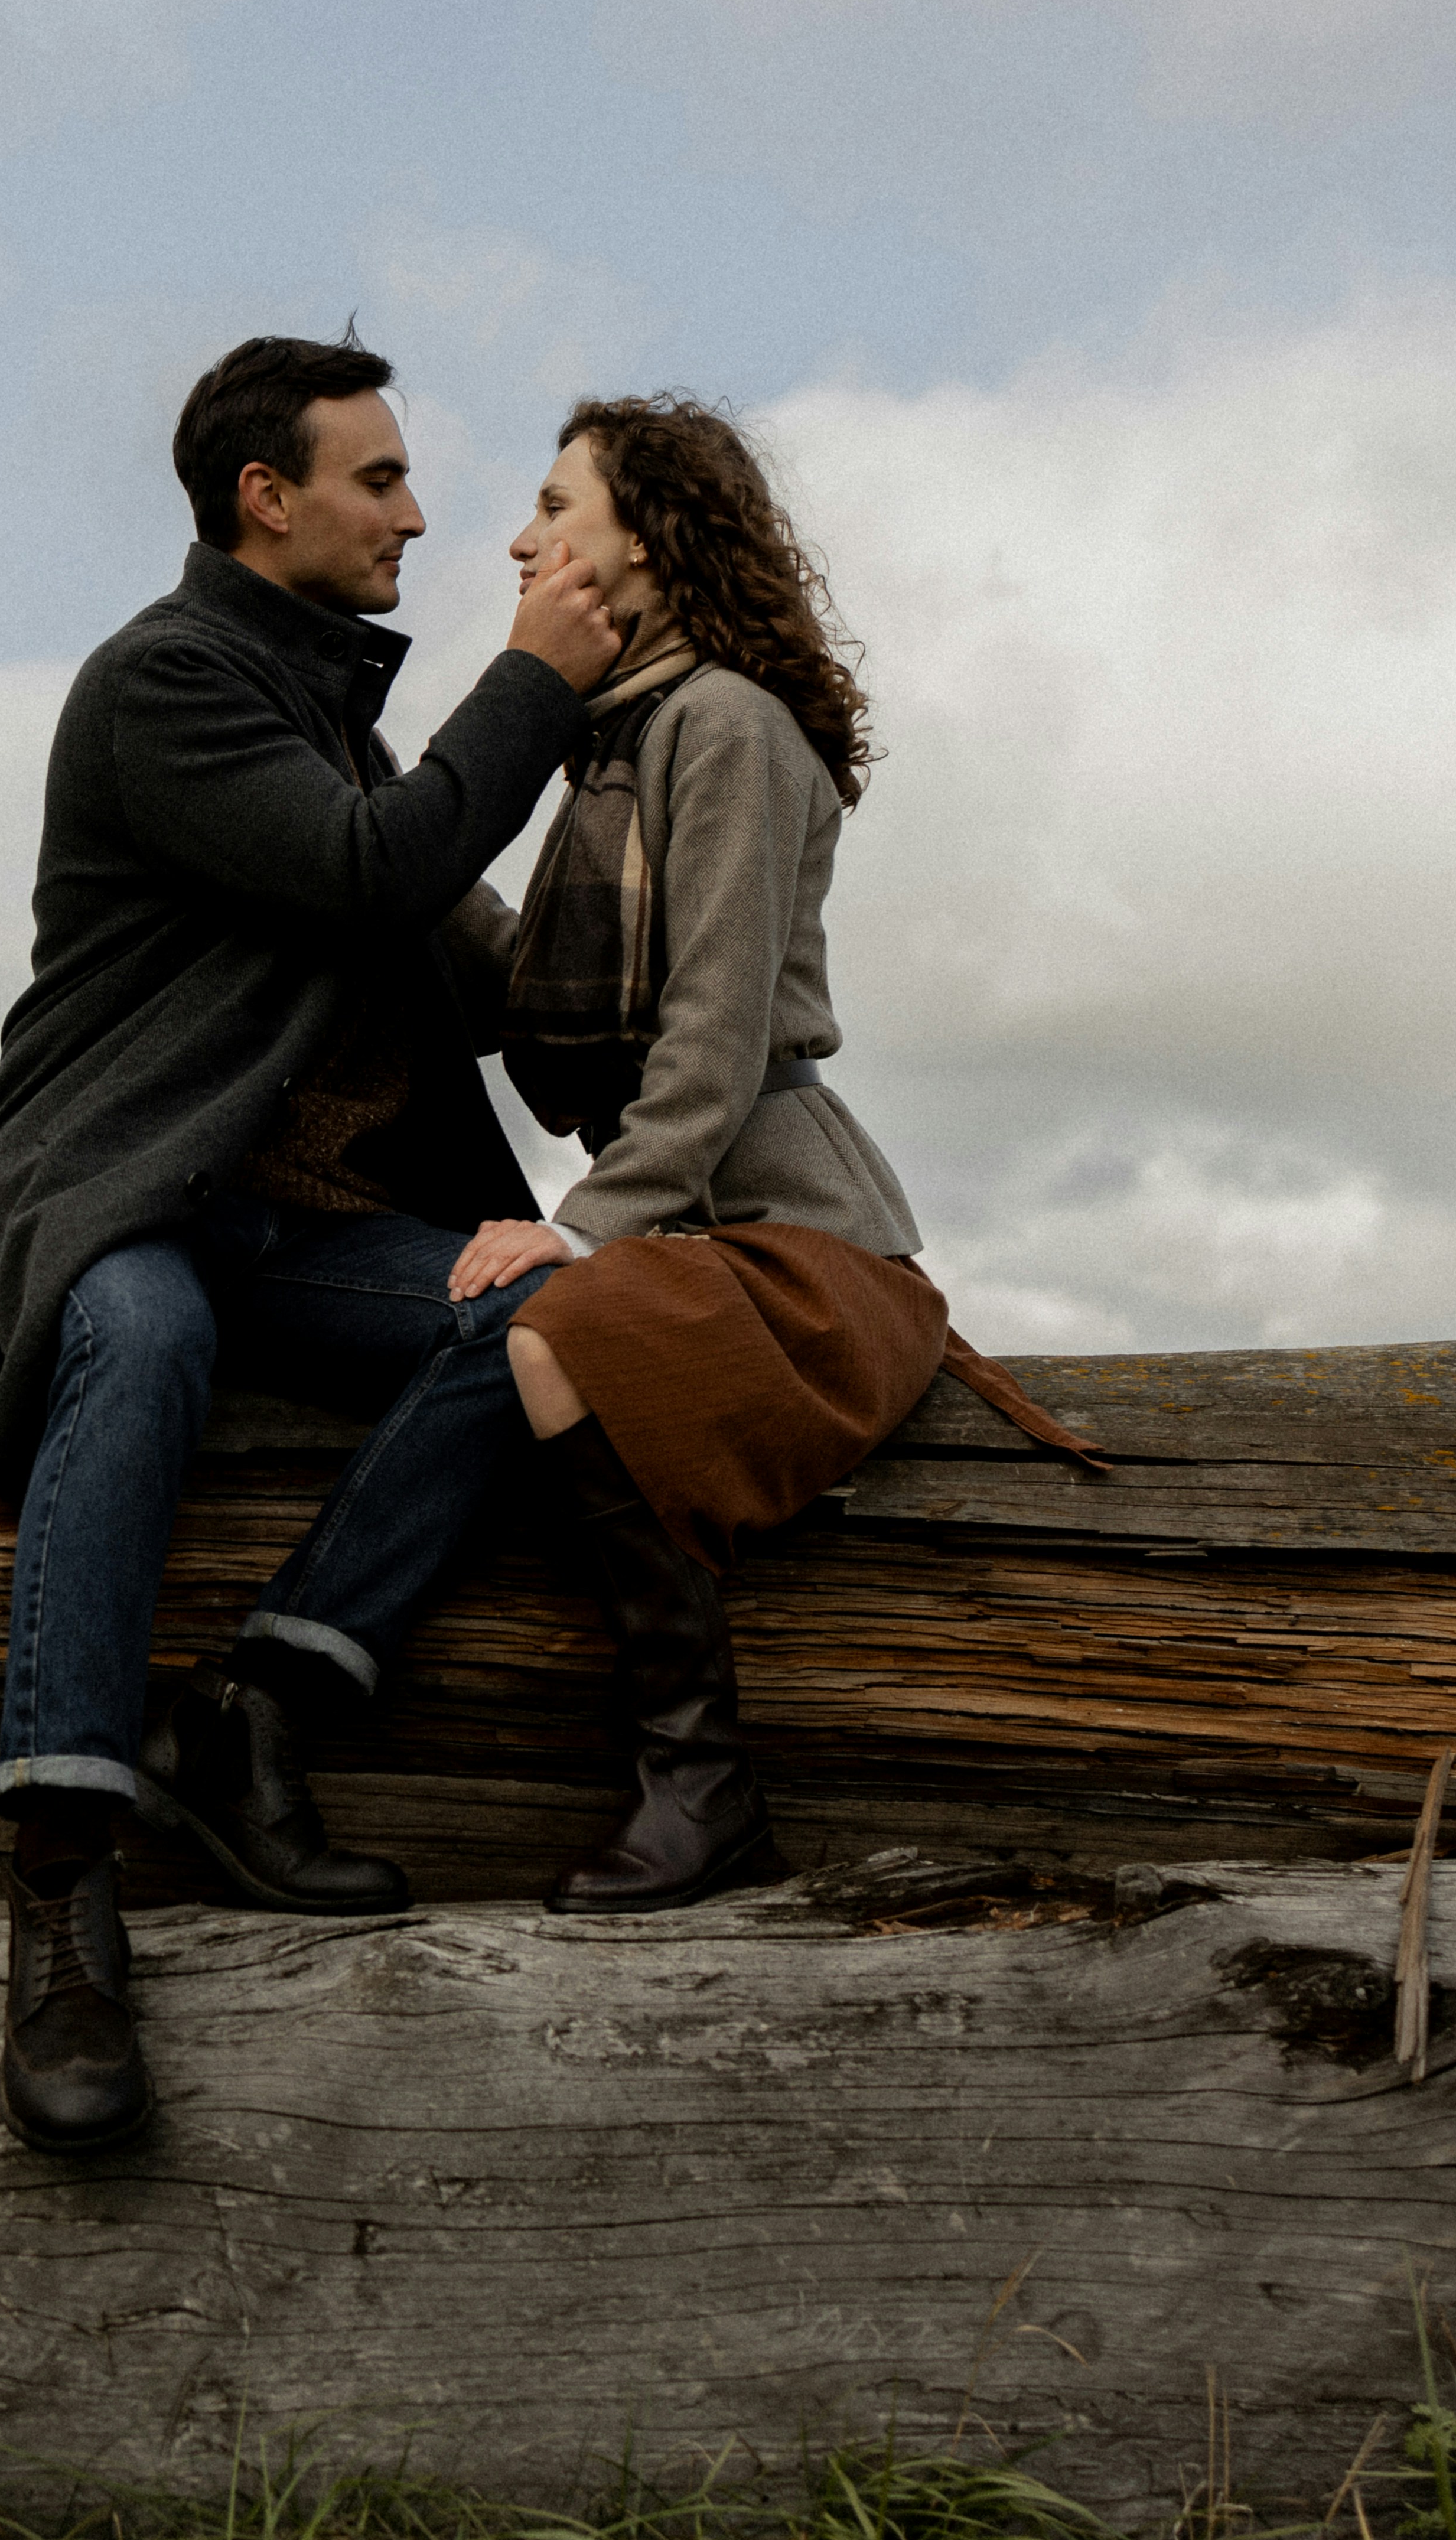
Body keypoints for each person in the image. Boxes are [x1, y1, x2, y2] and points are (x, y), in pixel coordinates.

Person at [0, 332, 623, 2155]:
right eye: (377, 478)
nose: (417, 513)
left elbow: (487, 966)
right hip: (122, 1194)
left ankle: (255, 1708)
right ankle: (62, 1877)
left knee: (542, 1318)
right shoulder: (166, 683)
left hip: (299, 1228)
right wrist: (533, 681)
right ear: (264, 497)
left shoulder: (334, 727)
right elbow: (377, 865)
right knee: (143, 1332)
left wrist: (661, 816)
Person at [441, 395, 1106, 1917]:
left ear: (648, 536)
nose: (523, 540)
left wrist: (586, 1225)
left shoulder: (725, 723)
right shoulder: (613, 745)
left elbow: (718, 1025)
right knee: (543, 1325)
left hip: (804, 1242)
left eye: (556, 505)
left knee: (560, 1333)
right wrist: (397, 843)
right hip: (697, 1226)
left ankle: (703, 1783)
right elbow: (529, 981)